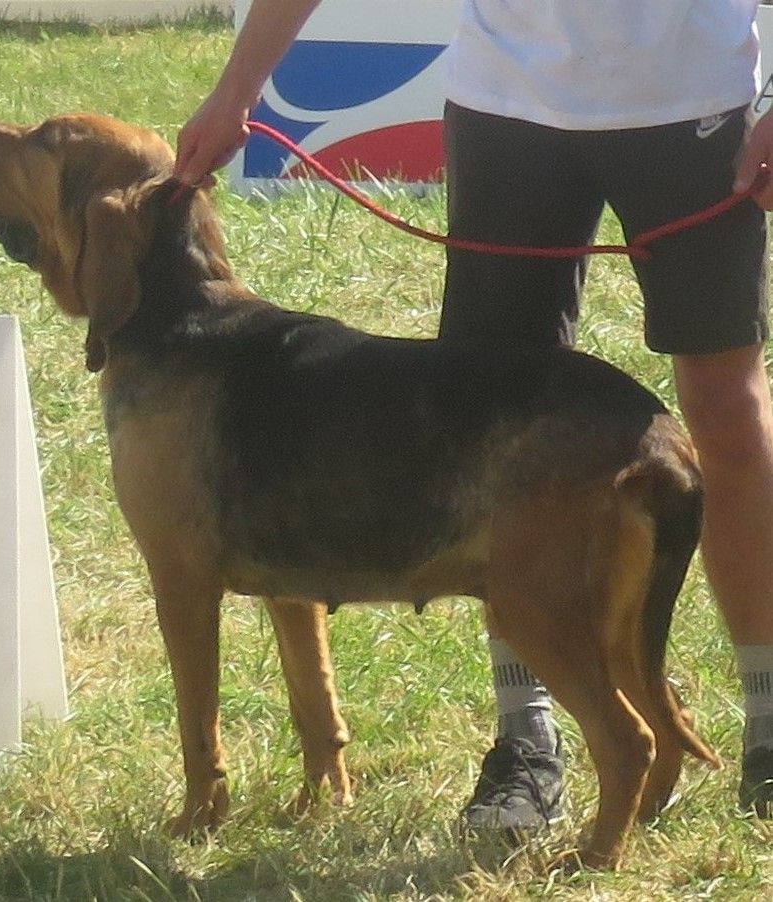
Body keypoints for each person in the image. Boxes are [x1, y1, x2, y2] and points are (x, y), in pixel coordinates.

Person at [175, 0, 773, 829]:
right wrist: (235, 91)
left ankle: (768, 720)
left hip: (694, 107)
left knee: (725, 408)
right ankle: (525, 738)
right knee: (488, 434)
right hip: (509, 109)